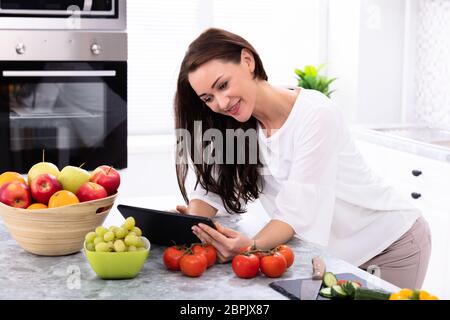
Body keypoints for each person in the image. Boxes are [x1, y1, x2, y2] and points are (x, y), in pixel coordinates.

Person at [172, 28, 431, 289]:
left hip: (390, 244)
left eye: (223, 85)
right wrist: (194, 228)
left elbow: (295, 213)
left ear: (247, 61)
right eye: (208, 98)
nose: (221, 102)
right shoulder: (238, 124)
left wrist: (249, 247)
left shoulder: (315, 116)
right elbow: (210, 192)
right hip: (336, 255)